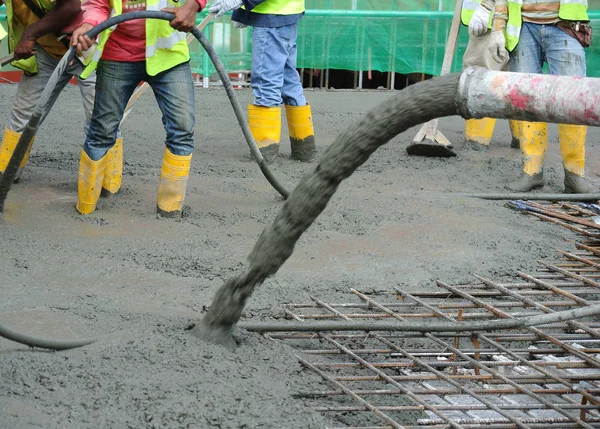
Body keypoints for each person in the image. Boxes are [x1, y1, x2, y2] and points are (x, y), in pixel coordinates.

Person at [71, 0, 207, 216]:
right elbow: (97, 5)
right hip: (118, 55)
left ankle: (170, 210)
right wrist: (89, 25)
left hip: (168, 54)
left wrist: (193, 4)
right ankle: (86, 206)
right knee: (102, 132)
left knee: (182, 129)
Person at [0, 0, 123, 193]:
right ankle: (7, 173)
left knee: (100, 117)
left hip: (88, 46)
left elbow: (71, 6)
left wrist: (29, 34)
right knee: (23, 112)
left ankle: (106, 182)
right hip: (46, 49)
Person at [481, 0, 595, 193]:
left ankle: (575, 175)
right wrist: (497, 29)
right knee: (527, 101)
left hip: (565, 26)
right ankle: (531, 171)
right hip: (523, 28)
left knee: (574, 99)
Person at [208, 0, 317, 164]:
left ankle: (265, 154)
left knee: (267, 83)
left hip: (272, 18)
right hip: (287, 14)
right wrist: (244, 12)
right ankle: (304, 149)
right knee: (289, 82)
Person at [461, 0, 520, 150]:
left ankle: (477, 139)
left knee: (480, 77)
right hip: (522, 20)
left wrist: (485, 8)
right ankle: (522, 136)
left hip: (488, 19)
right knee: (516, 80)